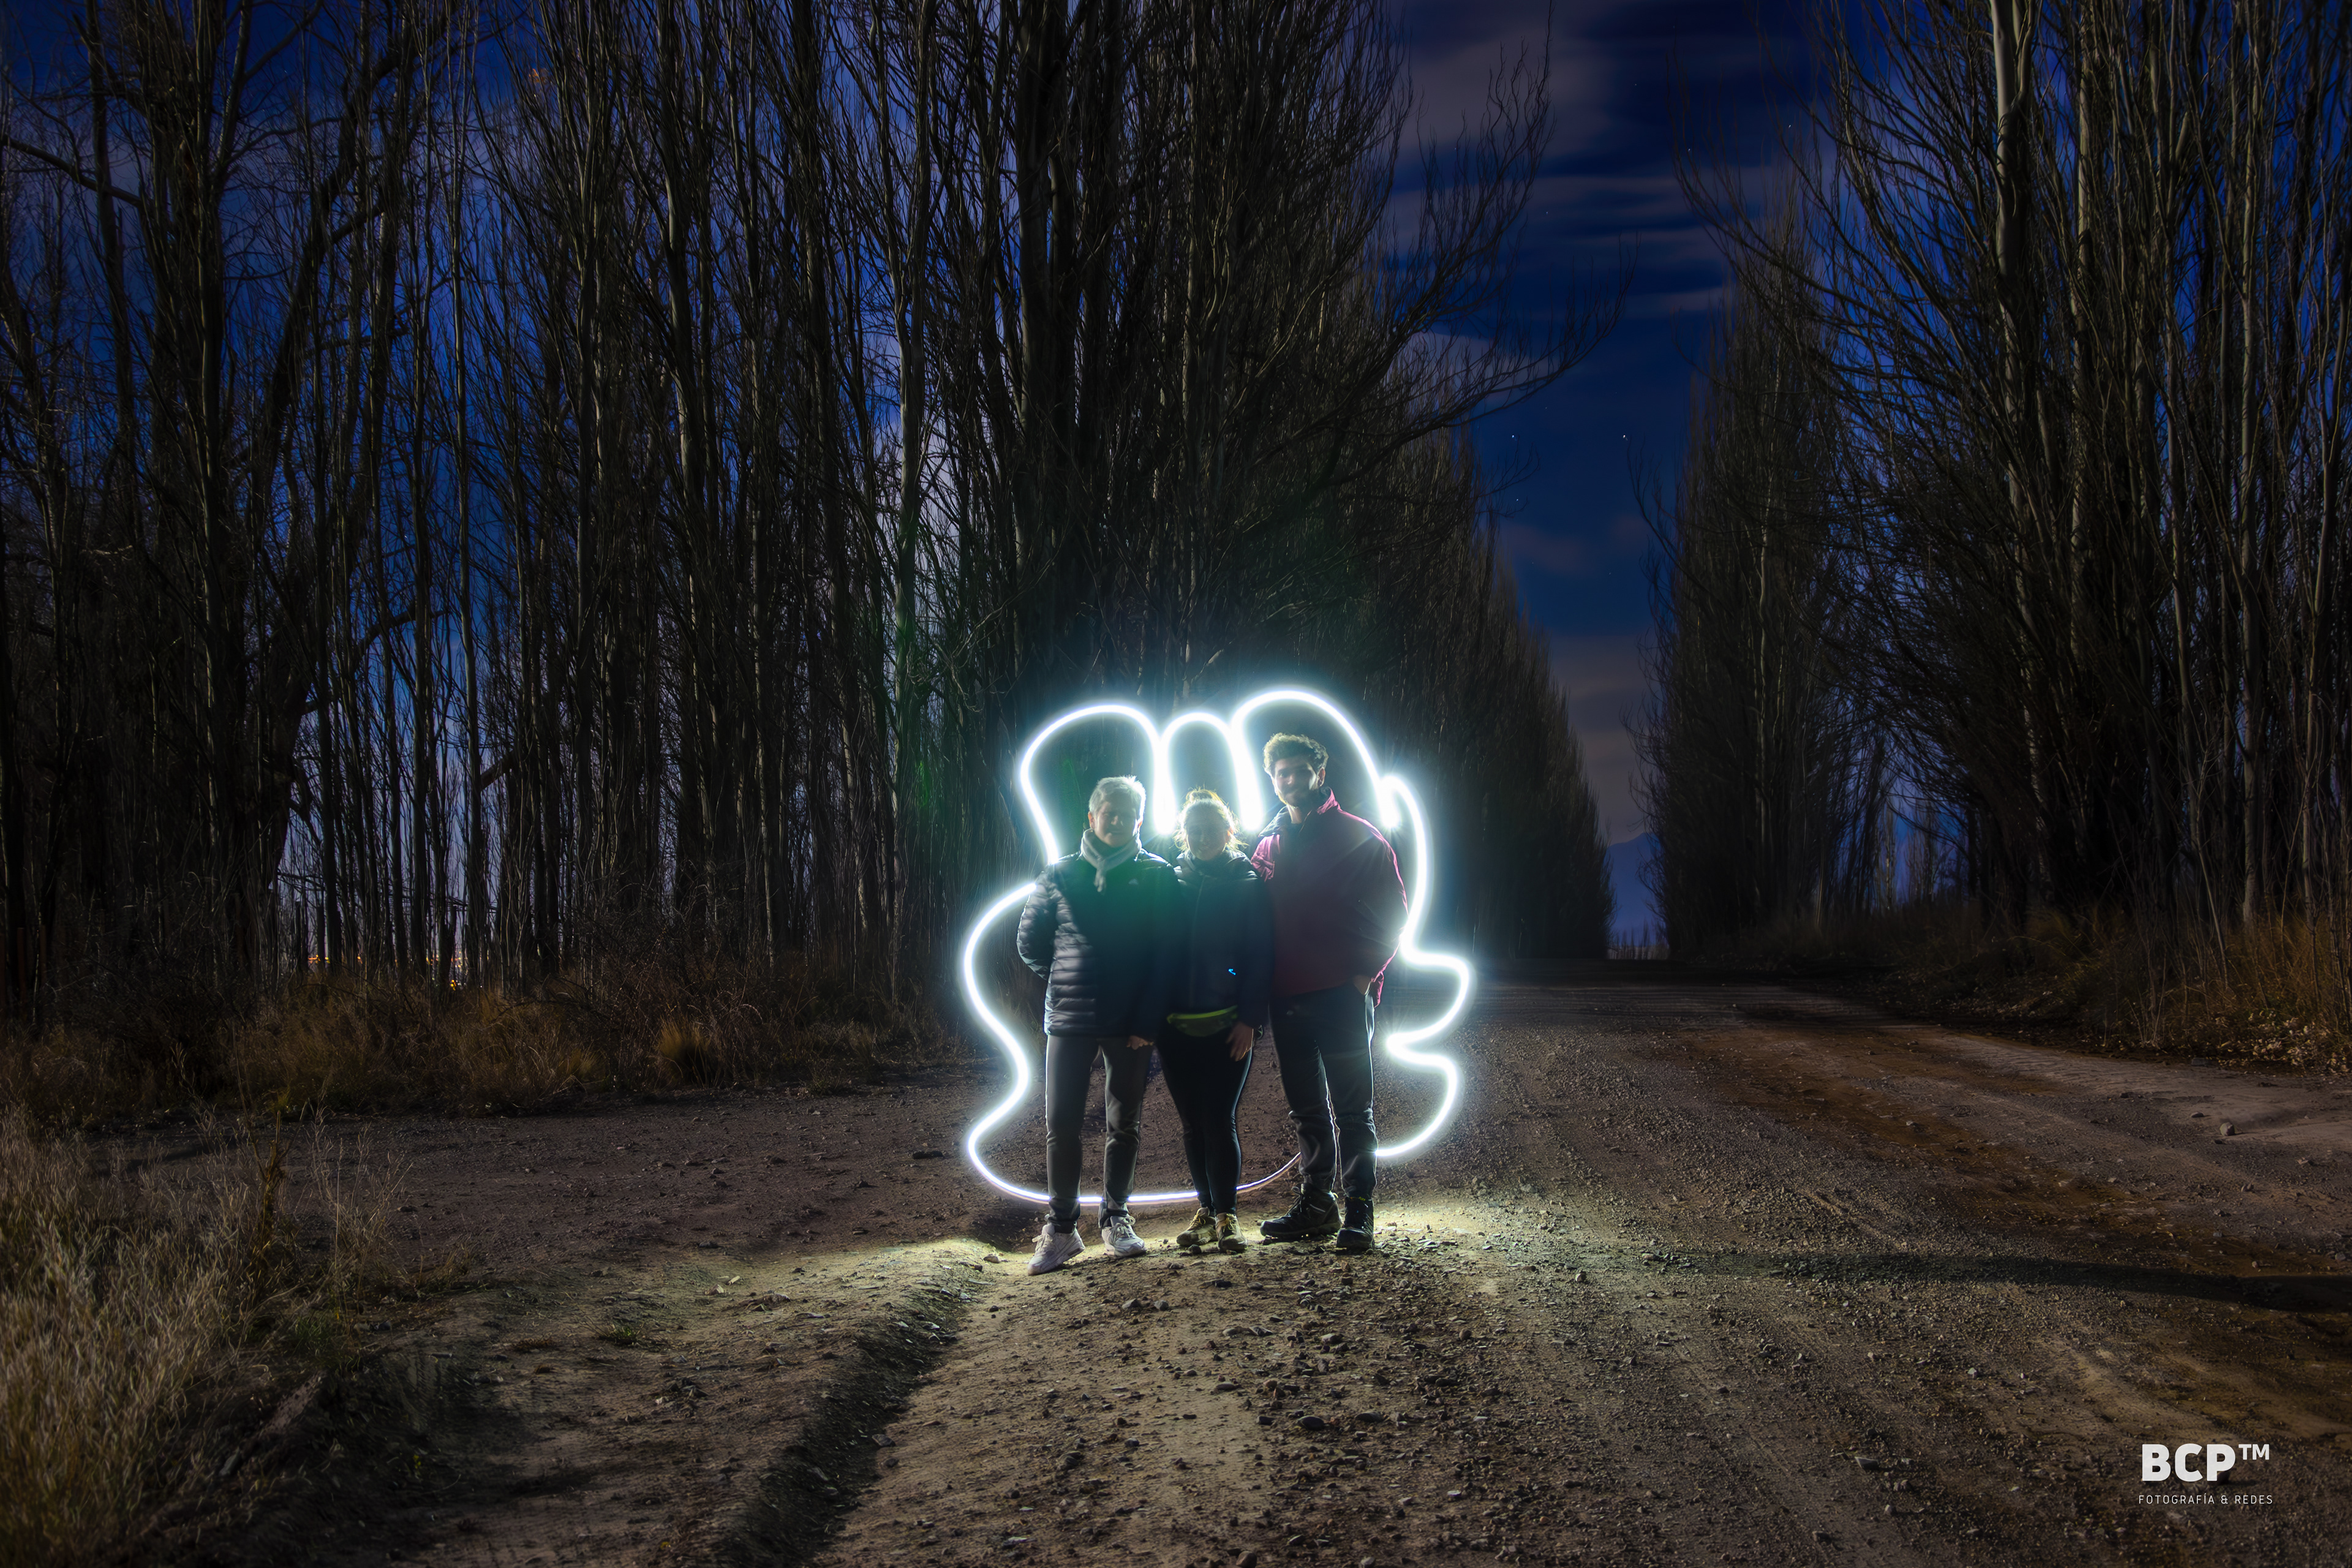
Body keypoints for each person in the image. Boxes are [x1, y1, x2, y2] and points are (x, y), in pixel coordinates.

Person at [1250, 733, 1406, 1253]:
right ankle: (1318, 1203)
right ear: (1271, 779)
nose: (1290, 780)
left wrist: (1363, 977)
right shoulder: (1267, 845)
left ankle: (1359, 1209)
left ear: (1320, 773)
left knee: (1352, 1110)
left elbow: (1395, 915)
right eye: (1280, 773)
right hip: (1287, 999)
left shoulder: (1359, 837)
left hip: (1341, 996)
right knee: (1307, 1111)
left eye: (1299, 770)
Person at [1016, 775, 1176, 1274]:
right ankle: (1062, 1229)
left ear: (1139, 820)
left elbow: (1167, 958)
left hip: (1130, 1025)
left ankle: (1116, 1217)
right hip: (1068, 1022)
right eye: (1110, 811)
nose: (1119, 819)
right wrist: (1066, 980)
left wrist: (1148, 1018)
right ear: (1092, 816)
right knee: (1061, 1124)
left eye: (1129, 812)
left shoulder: (1157, 876)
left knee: (1122, 1124)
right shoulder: (1059, 876)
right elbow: (1030, 943)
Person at [1156, 789, 1273, 1255]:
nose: (1203, 836)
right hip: (1175, 1027)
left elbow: (1261, 957)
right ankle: (1206, 1211)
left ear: (1230, 831)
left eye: (1212, 828)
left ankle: (1227, 1215)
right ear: (1183, 834)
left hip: (1229, 1024)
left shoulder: (1248, 882)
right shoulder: (1168, 880)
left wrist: (1250, 1019)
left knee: (1219, 1119)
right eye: (1194, 829)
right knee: (1191, 1124)